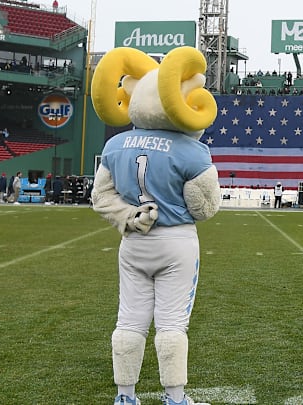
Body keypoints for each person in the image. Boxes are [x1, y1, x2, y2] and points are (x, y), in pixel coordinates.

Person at [90, 46, 220, 405]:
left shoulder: (116, 145)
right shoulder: (192, 151)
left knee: (129, 320)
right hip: (175, 239)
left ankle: (125, 396)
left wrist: (129, 216)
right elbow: (205, 208)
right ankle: (175, 397)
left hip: (133, 240)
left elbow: (100, 197)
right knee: (172, 324)